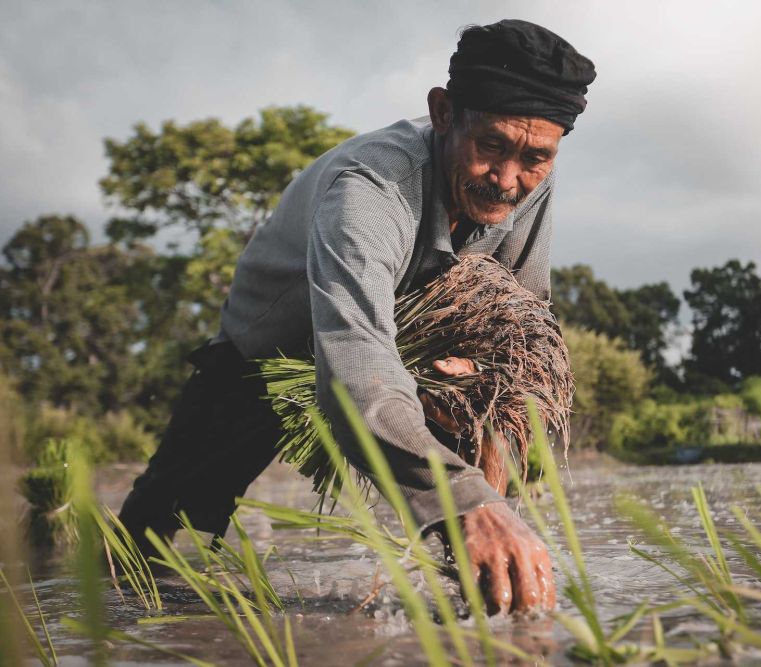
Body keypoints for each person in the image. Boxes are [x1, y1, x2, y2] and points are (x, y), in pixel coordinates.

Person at [118, 19, 596, 615]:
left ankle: (477, 602)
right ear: (444, 112)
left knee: (488, 422)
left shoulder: (529, 182)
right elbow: (358, 371)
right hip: (270, 352)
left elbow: (523, 322)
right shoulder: (371, 192)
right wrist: (463, 500)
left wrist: (482, 387)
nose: (507, 180)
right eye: (491, 146)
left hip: (413, 346)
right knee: (162, 533)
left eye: (535, 157)